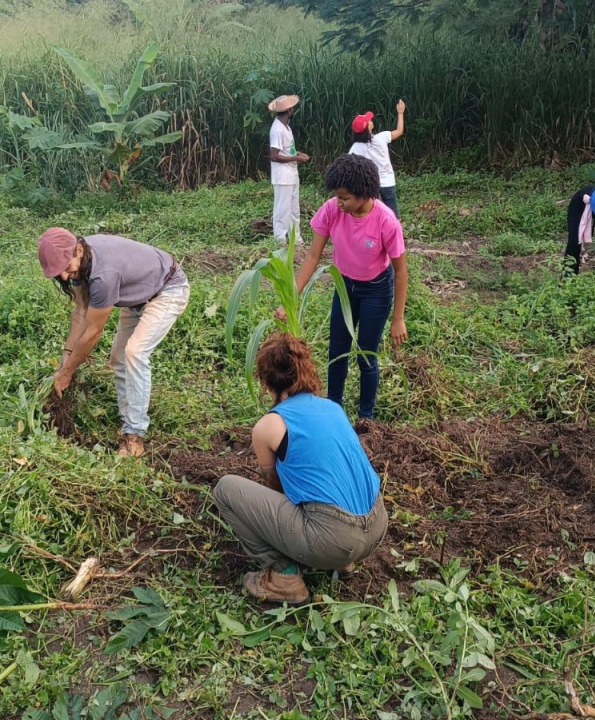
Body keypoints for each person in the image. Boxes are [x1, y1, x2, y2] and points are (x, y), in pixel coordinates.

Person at [212, 333, 388, 604]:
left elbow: (274, 486)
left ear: (266, 382)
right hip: (377, 525)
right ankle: (343, 563)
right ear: (306, 371)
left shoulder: (269, 426)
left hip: (333, 539)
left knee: (226, 489)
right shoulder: (333, 408)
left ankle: (284, 578)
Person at [37, 228, 190, 458]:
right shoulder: (82, 259)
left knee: (134, 353)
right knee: (118, 359)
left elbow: (92, 333)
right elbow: (80, 312)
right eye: (58, 273)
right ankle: (129, 418)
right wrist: (65, 359)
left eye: (66, 268)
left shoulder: (103, 275)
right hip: (137, 295)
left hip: (167, 289)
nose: (65, 277)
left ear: (78, 250)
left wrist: (68, 372)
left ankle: (134, 437)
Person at [290, 154, 409, 420]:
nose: (339, 203)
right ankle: (335, 411)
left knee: (367, 353)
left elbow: (401, 272)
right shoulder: (332, 210)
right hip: (345, 288)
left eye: (345, 198)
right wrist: (292, 297)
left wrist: (398, 319)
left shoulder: (386, 221)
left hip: (376, 290)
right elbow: (312, 256)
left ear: (364, 193)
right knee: (337, 351)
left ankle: (366, 418)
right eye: (337, 197)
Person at [348, 99, 406, 217]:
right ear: (368, 127)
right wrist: (400, 113)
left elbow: (351, 168)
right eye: (369, 120)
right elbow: (399, 131)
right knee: (393, 215)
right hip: (388, 181)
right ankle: (397, 234)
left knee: (374, 214)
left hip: (370, 185)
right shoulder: (381, 138)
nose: (370, 120)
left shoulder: (355, 148)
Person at [268, 95, 310, 243]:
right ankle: (279, 240)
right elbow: (274, 156)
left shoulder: (286, 127)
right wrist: (296, 158)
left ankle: (296, 239)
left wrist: (297, 154)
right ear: (288, 110)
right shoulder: (277, 130)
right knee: (282, 209)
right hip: (282, 176)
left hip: (291, 174)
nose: (293, 110)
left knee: (294, 210)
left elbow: (286, 151)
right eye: (292, 108)